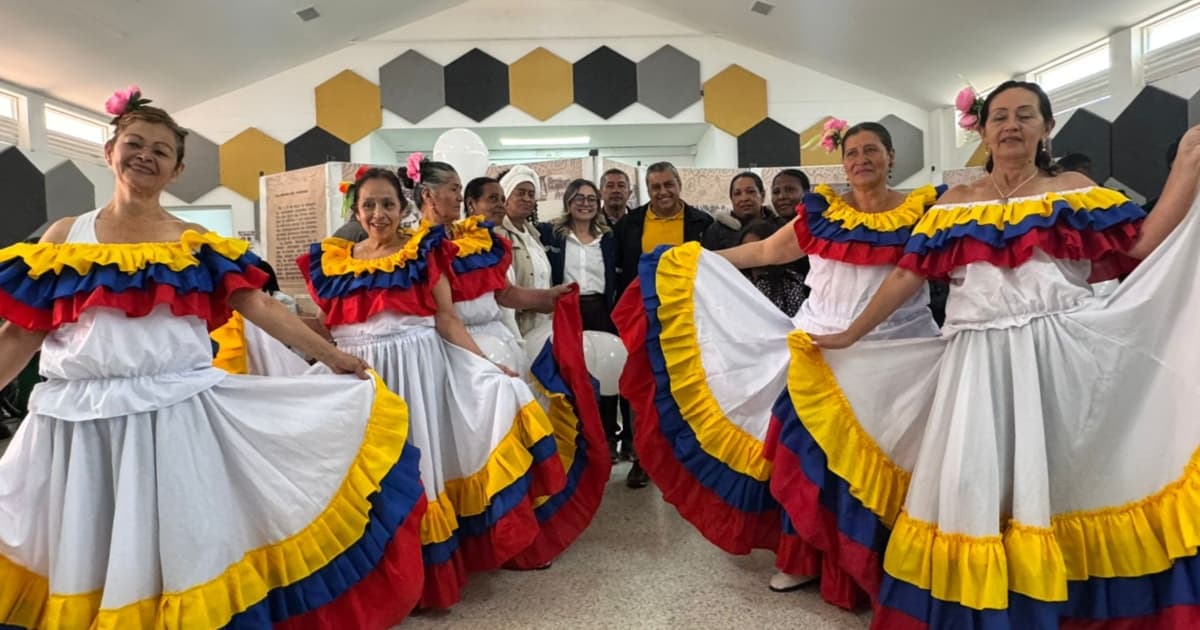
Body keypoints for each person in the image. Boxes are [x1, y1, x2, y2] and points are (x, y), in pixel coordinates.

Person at [0, 88, 427, 628]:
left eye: (161, 150)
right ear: (109, 152)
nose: (145, 156)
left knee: (178, 543)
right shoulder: (67, 235)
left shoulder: (193, 240)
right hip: (76, 424)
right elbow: (21, 333)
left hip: (172, 414)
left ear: (176, 170)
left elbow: (256, 303)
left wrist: (329, 356)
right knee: (85, 546)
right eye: (135, 143)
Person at [801, 81, 1200, 629]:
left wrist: (1185, 167)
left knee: (1057, 483)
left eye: (1025, 115)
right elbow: (906, 273)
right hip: (977, 361)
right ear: (982, 131)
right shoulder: (956, 203)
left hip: (1059, 359)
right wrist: (849, 333)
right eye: (1000, 117)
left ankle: (1061, 606)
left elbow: (1142, 243)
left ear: (1046, 127)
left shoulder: (1072, 188)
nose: (1011, 125)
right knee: (973, 483)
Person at [613, 121, 944, 604]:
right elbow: (767, 250)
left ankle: (885, 558)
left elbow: (914, 276)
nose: (861, 160)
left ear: (891, 156)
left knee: (889, 466)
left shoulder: (923, 213)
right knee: (802, 461)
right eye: (852, 152)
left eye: (872, 150)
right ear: (842, 160)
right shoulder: (823, 214)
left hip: (900, 357)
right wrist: (700, 259)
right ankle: (802, 558)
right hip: (817, 356)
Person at [299, 164, 570, 607]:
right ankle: (378, 579)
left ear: (404, 206)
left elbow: (446, 317)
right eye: (368, 205)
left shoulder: (423, 250)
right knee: (369, 472)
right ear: (356, 209)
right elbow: (333, 326)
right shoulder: (335, 261)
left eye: (388, 203)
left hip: (419, 369)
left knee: (420, 468)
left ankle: (423, 579)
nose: (378, 213)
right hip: (365, 376)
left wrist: (483, 365)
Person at [414, 158, 612, 571]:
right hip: (463, 356)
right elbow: (445, 317)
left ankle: (524, 529)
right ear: (429, 195)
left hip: (504, 343)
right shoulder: (420, 247)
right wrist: (484, 363)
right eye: (451, 187)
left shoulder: (475, 240)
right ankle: (497, 537)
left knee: (522, 437)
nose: (455, 193)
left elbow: (502, 295)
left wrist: (550, 297)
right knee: (490, 447)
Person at [612, 161, 712, 488]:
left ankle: (687, 460)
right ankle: (642, 459)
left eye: (668, 184)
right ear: (647, 189)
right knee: (642, 391)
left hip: (687, 319)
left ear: (679, 183)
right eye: (655, 187)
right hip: (643, 319)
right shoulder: (630, 224)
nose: (663, 192)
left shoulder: (703, 223)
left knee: (687, 390)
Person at [537, 179, 621, 460]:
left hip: (600, 310)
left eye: (591, 198)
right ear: (568, 202)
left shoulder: (608, 238)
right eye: (579, 198)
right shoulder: (552, 235)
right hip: (567, 310)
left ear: (598, 204)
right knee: (571, 373)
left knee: (605, 373)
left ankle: (607, 435)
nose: (585, 203)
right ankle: (575, 437)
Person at [497, 165, 552, 336]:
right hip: (514, 327)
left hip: (540, 325)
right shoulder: (498, 235)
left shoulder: (533, 235)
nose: (527, 198)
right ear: (505, 196)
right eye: (520, 193)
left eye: (531, 194)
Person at [738, 219, 807, 316]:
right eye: (745, 248)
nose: (749, 254)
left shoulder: (790, 282)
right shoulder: (737, 278)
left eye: (755, 249)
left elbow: (795, 319)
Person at [702, 172, 777, 250]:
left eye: (750, 192)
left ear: (762, 195)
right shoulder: (716, 231)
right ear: (731, 199)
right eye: (737, 194)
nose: (744, 198)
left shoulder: (777, 225)